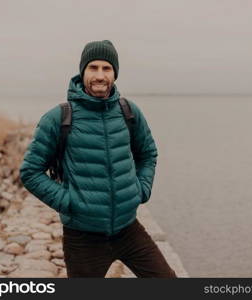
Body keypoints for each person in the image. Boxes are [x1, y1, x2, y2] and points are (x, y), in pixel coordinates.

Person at [20, 40, 176, 278]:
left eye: (107, 68)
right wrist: (69, 202)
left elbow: (147, 154)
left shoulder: (128, 112)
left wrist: (141, 189)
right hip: (83, 239)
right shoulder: (59, 117)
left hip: (128, 230)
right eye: (93, 68)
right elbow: (30, 171)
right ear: (82, 71)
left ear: (115, 74)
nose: (100, 75)